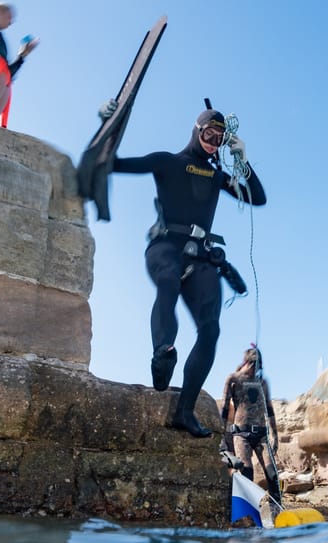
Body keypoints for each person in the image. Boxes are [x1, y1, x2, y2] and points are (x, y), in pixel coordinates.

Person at [111, 109, 266, 436]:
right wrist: (109, 127)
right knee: (167, 282)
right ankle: (162, 353)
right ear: (196, 130)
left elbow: (259, 198)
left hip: (200, 256)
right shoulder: (168, 161)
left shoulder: (216, 177)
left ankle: (185, 410)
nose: (213, 143)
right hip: (164, 247)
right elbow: (118, 164)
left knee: (210, 331)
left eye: (220, 139)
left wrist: (243, 160)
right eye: (209, 135)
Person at [220, 346, 279, 485]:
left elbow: (269, 409)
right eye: (254, 365)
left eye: (258, 367)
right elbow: (224, 408)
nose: (255, 370)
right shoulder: (233, 379)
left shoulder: (262, 382)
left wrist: (275, 435)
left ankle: (276, 506)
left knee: (272, 474)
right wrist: (221, 436)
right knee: (246, 474)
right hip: (242, 435)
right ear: (248, 362)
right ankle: (246, 506)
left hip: (261, 436)